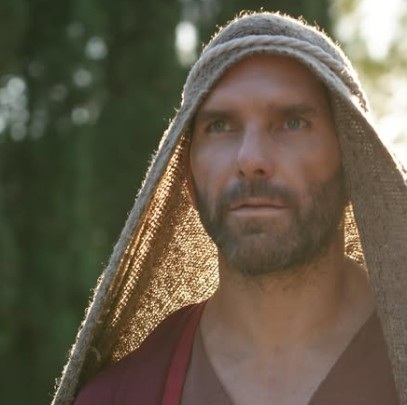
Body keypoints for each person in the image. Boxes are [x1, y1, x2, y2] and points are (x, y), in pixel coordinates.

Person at [52, 11, 406, 405]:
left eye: (292, 122)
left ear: (354, 162)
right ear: (187, 176)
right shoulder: (121, 395)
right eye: (220, 126)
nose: (250, 158)